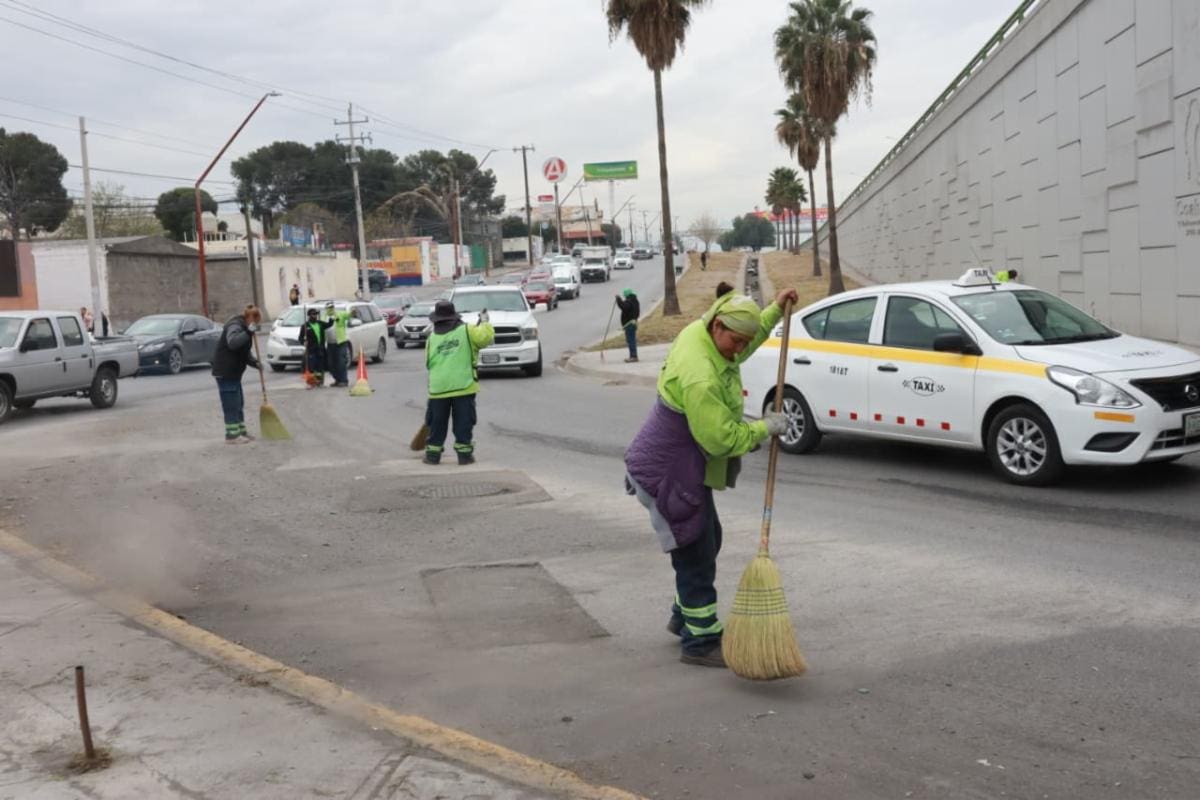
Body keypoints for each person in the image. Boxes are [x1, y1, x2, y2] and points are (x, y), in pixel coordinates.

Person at [624, 285, 796, 668]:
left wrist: (773, 312)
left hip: (681, 465)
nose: (738, 350)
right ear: (719, 325)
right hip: (668, 472)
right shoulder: (701, 375)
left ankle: (684, 613)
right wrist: (764, 429)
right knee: (695, 550)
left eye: (742, 342)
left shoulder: (703, 335)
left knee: (707, 538)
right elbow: (721, 440)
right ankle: (699, 641)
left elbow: (742, 347)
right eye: (734, 341)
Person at [423, 300, 495, 466]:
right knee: (464, 422)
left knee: (436, 423)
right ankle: (464, 456)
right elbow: (485, 338)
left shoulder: (432, 338)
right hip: (463, 385)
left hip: (438, 388)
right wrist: (484, 322)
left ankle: (432, 455)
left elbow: (427, 363)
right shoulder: (467, 330)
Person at [211, 304, 262, 444]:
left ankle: (241, 432)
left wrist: (255, 363)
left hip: (234, 373)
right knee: (231, 404)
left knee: (238, 403)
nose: (256, 325)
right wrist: (248, 333)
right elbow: (233, 343)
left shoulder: (244, 328)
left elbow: (244, 353)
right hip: (225, 372)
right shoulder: (235, 326)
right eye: (256, 322)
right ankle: (232, 436)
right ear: (250, 318)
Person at [298, 307, 332, 388]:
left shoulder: (320, 323)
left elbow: (329, 324)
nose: (315, 316)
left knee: (320, 367)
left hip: (320, 349)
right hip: (311, 349)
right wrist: (303, 342)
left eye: (316, 314)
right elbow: (300, 338)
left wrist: (331, 316)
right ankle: (311, 382)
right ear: (309, 315)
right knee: (311, 367)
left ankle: (320, 382)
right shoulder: (305, 326)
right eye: (313, 314)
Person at [321, 301, 352, 387]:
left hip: (341, 342)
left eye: (332, 307)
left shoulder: (340, 314)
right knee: (330, 364)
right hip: (330, 344)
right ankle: (337, 379)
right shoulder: (323, 317)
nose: (331, 309)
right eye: (329, 308)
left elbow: (348, 315)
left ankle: (344, 380)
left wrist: (352, 312)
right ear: (326, 309)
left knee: (341, 362)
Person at [615, 289, 640, 363]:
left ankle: (633, 356)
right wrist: (619, 300)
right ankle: (633, 356)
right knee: (631, 339)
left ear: (626, 295)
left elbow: (624, 307)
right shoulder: (635, 301)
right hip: (633, 323)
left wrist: (618, 300)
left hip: (629, 324)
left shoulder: (629, 301)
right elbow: (625, 306)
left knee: (631, 340)